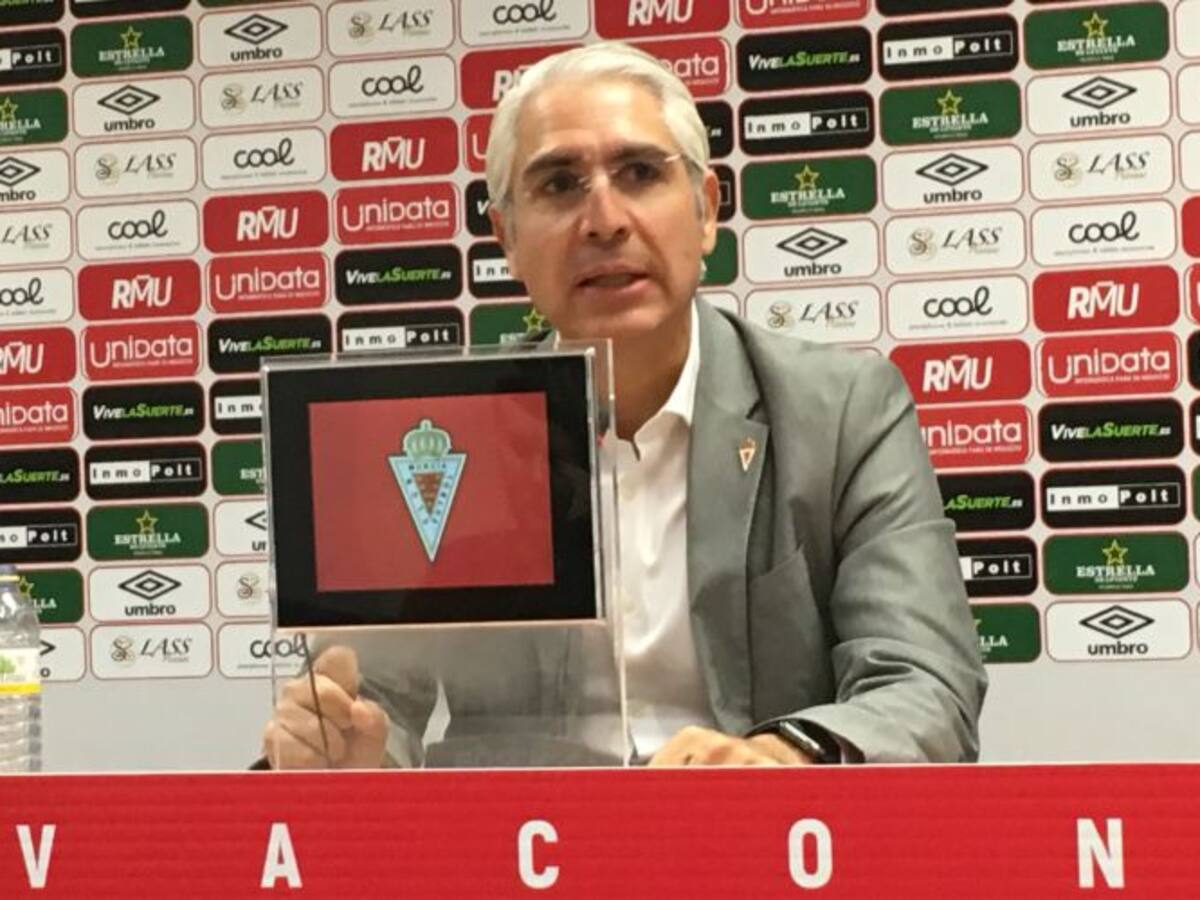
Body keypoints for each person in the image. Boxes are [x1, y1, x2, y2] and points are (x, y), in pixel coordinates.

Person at [262, 42, 986, 768]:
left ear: (705, 211)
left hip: (754, 831)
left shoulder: (843, 412)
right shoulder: (457, 433)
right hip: (521, 835)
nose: (604, 220)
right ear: (507, 239)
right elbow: (372, 699)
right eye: (560, 184)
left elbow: (925, 687)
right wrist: (349, 752)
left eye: (640, 173)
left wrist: (780, 758)